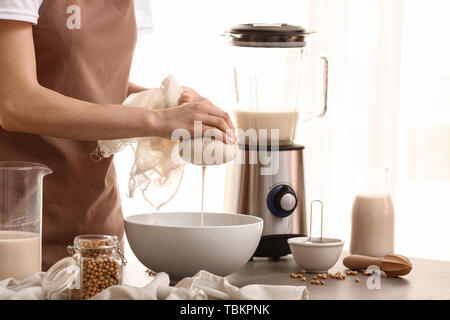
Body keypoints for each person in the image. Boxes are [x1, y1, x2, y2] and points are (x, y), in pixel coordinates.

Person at [0, 0, 234, 270]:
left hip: (98, 233)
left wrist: (164, 103)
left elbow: (99, 85)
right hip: (17, 227)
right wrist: (158, 119)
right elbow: (16, 104)